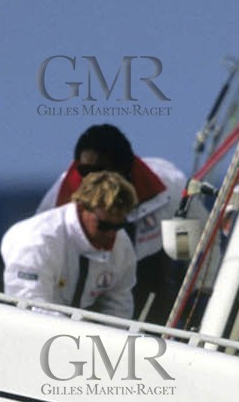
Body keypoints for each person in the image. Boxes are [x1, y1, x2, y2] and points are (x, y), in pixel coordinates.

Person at [34, 124, 186, 324]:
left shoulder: (169, 189)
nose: (91, 180)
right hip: (84, 280)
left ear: (126, 168)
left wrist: (202, 291)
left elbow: (196, 247)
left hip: (150, 268)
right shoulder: (55, 205)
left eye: (100, 171)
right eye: (85, 170)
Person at [2, 170, 137, 317]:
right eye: (104, 226)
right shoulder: (38, 240)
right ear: (82, 207)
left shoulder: (121, 243)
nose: (111, 234)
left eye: (118, 227)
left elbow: (118, 306)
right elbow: (28, 308)